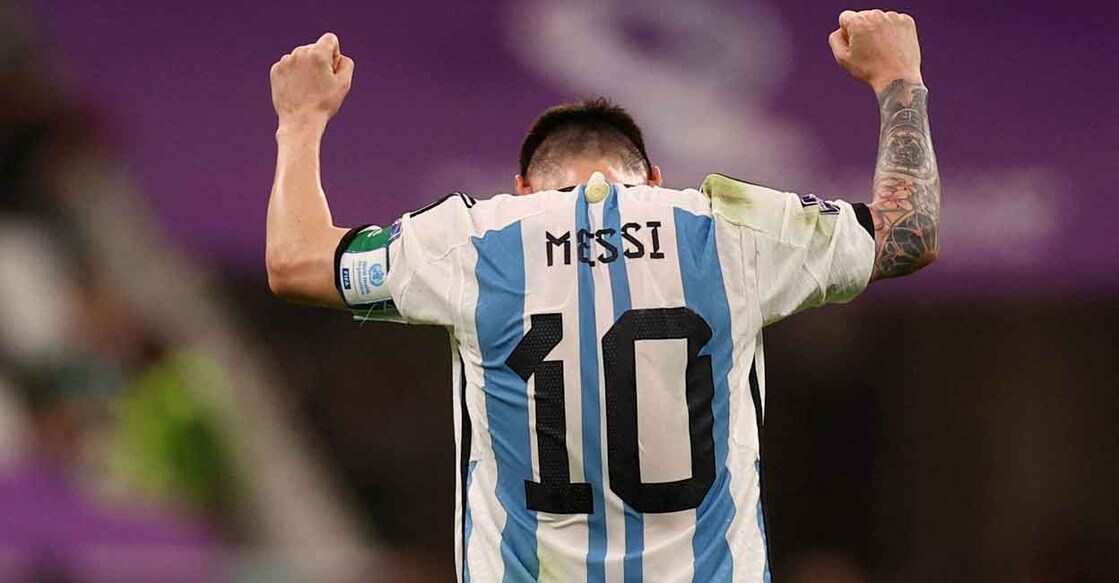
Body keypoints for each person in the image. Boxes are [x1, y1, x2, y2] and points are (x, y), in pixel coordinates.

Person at [265, 8, 938, 582]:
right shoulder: (727, 231)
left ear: (523, 187)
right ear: (651, 176)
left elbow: (295, 263)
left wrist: (301, 121)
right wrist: (897, 77)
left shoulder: (474, 237)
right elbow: (907, 234)